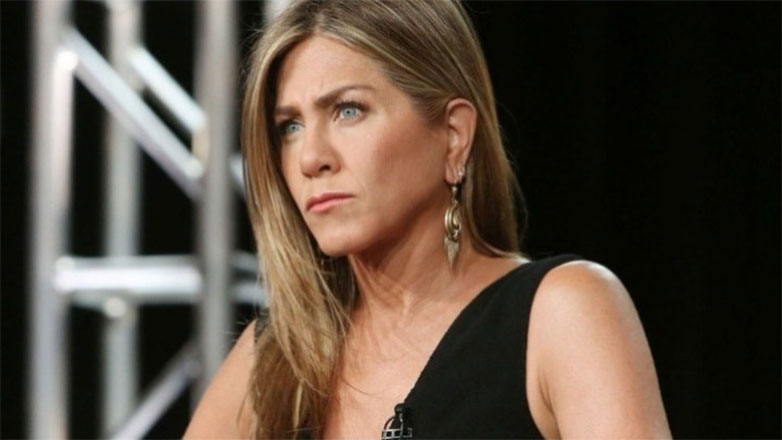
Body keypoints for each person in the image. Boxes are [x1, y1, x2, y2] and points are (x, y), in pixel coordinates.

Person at [184, 0, 671, 438]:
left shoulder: (560, 313)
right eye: (290, 126)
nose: (311, 158)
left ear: (453, 135)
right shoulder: (273, 360)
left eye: (348, 111)